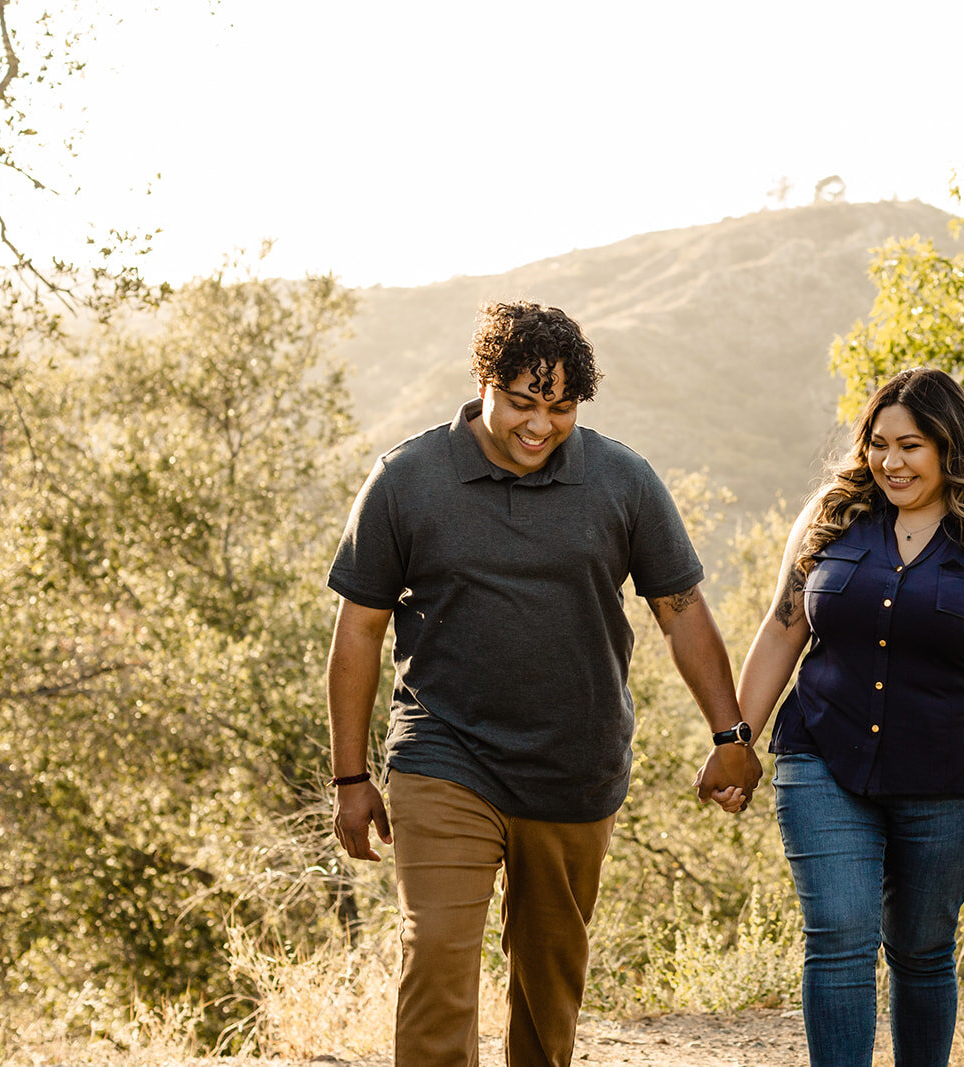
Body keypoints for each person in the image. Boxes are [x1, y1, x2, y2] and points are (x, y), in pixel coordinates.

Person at [326, 301, 761, 1067]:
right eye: (523, 402)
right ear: (483, 382)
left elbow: (682, 613)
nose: (539, 425)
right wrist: (351, 775)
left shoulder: (622, 479)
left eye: (560, 408)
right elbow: (358, 629)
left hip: (574, 765)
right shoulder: (407, 479)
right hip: (443, 753)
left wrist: (730, 737)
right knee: (436, 961)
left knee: (547, 988)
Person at [705, 367, 964, 1067]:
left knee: (921, 948)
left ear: (951, 446)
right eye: (879, 443)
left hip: (949, 778)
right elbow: (781, 630)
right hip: (823, 757)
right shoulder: (830, 517)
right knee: (838, 934)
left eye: (912, 446)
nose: (891, 462)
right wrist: (734, 744)